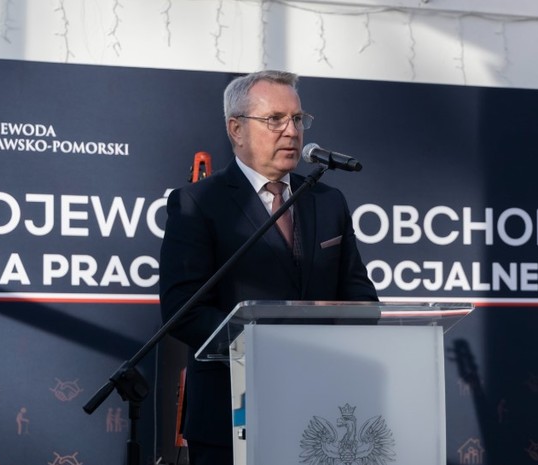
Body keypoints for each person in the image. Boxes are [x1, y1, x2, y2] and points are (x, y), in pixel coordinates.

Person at [159, 70, 378, 465]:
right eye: (274, 119)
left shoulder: (328, 201)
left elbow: (361, 297)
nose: (291, 131)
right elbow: (183, 311)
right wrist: (271, 344)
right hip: (230, 415)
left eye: (297, 119)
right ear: (236, 129)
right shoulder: (198, 202)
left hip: (320, 415)